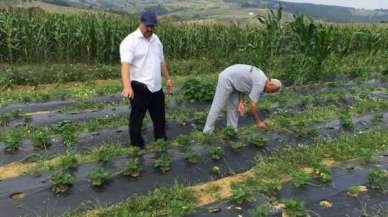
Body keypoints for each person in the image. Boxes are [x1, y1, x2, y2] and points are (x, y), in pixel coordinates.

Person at [120, 11, 173, 149]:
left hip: (156, 87)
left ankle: (160, 140)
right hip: (139, 87)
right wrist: (127, 86)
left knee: (160, 117)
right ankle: (137, 145)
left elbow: (161, 62)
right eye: (147, 26)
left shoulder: (156, 40)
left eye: (152, 26)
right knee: (137, 118)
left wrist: (167, 79)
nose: (150, 29)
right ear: (141, 23)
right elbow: (125, 66)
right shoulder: (130, 41)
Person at [203, 64, 281, 133]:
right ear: (271, 84)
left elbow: (243, 85)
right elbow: (252, 105)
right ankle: (207, 131)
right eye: (271, 91)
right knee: (217, 105)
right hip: (227, 78)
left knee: (234, 107)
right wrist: (258, 122)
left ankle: (231, 130)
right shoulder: (260, 83)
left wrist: (241, 102)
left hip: (236, 81)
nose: (269, 92)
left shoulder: (262, 79)